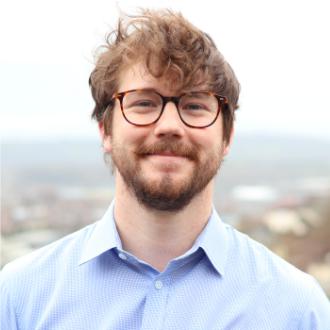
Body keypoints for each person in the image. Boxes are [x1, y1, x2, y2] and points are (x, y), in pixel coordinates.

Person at [1, 9, 330, 330]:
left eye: (195, 105)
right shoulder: (19, 298)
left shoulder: (298, 311)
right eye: (144, 102)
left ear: (227, 135)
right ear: (105, 130)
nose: (169, 126)